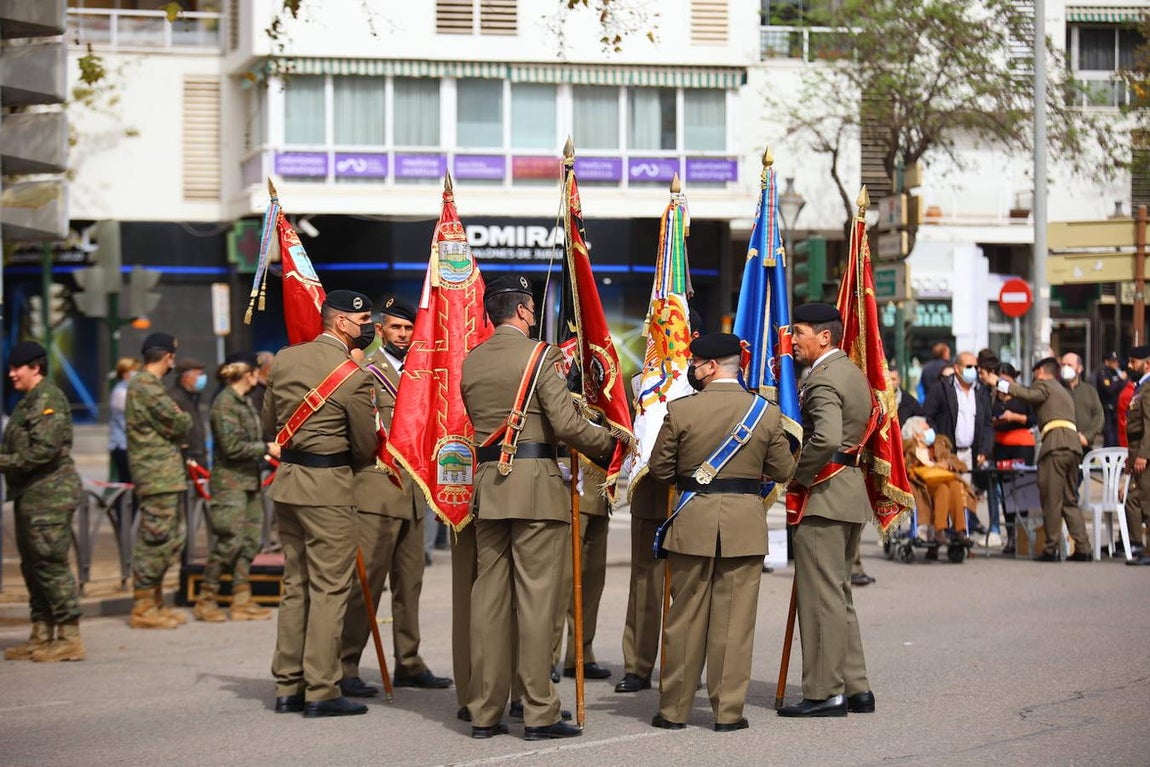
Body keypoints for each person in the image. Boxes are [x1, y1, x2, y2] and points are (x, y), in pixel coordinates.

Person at [460, 274, 615, 741]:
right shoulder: (540, 355)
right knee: (536, 602)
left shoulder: (472, 360)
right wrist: (610, 445)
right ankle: (538, 711)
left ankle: (485, 710)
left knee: (489, 601)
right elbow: (566, 424)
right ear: (525, 311)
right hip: (534, 488)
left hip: (489, 486)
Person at [646, 332, 794, 732]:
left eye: (695, 364)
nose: (692, 370)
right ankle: (728, 713)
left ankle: (673, 710)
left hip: (693, 521)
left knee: (684, 618)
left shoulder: (681, 411)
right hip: (744, 525)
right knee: (734, 622)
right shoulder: (764, 412)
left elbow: (660, 469)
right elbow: (783, 471)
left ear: (711, 366)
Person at [261, 290, 380, 717]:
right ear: (342, 323)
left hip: (289, 482)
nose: (369, 326)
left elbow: (269, 422)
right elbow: (365, 443)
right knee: (330, 588)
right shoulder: (353, 373)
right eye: (364, 318)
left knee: (296, 585)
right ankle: (322, 688)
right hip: (328, 486)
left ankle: (287, 683)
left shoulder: (285, 359)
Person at [340, 295, 452, 699]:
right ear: (381, 329)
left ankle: (409, 660)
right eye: (396, 328)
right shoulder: (366, 371)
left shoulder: (424, 374)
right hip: (376, 488)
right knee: (367, 583)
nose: (403, 335)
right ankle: (346, 663)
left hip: (413, 492)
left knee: (411, 582)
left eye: (409, 329)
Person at [778, 303, 875, 719]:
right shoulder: (853, 373)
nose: (792, 340)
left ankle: (824, 692)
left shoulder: (823, 379)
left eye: (798, 332)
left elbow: (827, 437)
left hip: (825, 494)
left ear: (825, 337)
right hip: (849, 494)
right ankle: (856, 687)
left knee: (819, 599)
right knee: (839, 595)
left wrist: (796, 474)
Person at [1, 341, 86, 662]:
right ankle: (41, 632)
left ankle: (69, 635)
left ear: (35, 367)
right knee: (32, 565)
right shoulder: (27, 402)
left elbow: (43, 450)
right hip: (30, 494)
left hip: (51, 494)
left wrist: (2, 461)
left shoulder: (49, 399)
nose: (11, 374)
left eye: (16, 368)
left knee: (50, 563)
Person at [195, 352, 281, 623]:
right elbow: (231, 447)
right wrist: (267, 448)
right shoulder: (225, 404)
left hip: (249, 480)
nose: (259, 376)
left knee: (250, 540)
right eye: (256, 372)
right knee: (228, 542)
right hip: (229, 483)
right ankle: (206, 598)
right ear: (248, 374)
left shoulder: (242, 402)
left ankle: (241, 597)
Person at [980, 359, 1092, 562]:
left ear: (1040, 372)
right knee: (1069, 499)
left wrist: (999, 383)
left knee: (1051, 497)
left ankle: (1050, 548)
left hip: (1055, 445)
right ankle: (1083, 546)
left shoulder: (1044, 385)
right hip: (1073, 445)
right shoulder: (1063, 389)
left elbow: (1029, 395)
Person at [126, 332, 193, 629]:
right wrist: (181, 419)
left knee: (169, 539)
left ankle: (154, 602)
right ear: (167, 357)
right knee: (155, 540)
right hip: (156, 474)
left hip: (165, 474)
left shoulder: (148, 385)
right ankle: (143, 607)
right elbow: (180, 422)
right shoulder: (145, 386)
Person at [556, 476, 611, 681]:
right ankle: (547, 657)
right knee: (562, 582)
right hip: (570, 487)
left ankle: (580, 654)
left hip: (600, 489)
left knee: (592, 581)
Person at [902, 416, 973, 559]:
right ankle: (940, 530)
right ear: (917, 435)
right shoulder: (910, 451)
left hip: (943, 479)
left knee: (953, 484)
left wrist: (947, 464)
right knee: (943, 488)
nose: (930, 431)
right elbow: (905, 468)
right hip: (923, 486)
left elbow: (959, 463)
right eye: (926, 429)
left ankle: (960, 531)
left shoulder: (938, 446)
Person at [989, 363, 1037, 554]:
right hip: (1001, 446)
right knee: (1006, 492)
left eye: (1005, 380)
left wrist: (1015, 417)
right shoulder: (994, 398)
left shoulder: (1023, 395)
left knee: (1022, 491)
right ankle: (1011, 538)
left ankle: (1023, 536)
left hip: (1022, 446)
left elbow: (1033, 420)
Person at [922, 350, 993, 475]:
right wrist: (939, 444)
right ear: (957, 368)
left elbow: (987, 423)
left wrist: (984, 450)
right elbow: (927, 417)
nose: (974, 371)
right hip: (948, 454)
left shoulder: (980, 391)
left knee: (966, 491)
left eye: (976, 367)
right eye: (969, 367)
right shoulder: (941, 389)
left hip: (971, 454)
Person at [1122, 345, 1150, 565]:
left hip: (1144, 455)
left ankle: (1144, 549)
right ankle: (1137, 545)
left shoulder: (1148, 389)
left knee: (1143, 502)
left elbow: (1149, 425)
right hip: (1136, 452)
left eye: (1134, 362)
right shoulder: (1140, 387)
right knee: (1134, 499)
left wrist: (1142, 455)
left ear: (1147, 364)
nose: (1130, 366)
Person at [168, 357, 209, 467]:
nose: (202, 378)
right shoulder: (175, 398)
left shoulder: (194, 397)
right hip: (186, 458)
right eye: (198, 374)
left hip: (199, 456)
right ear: (186, 376)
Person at [1060, 352, 1104, 451]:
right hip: (1061, 447)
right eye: (1063, 365)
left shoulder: (1089, 391)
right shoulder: (1056, 389)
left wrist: (1087, 436)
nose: (1065, 368)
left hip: (1085, 446)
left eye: (1069, 365)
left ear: (1079, 368)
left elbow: (1099, 416)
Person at [109, 357, 138, 484]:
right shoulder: (121, 393)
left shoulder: (130, 391)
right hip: (123, 445)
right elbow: (128, 421)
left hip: (129, 445)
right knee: (126, 483)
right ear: (126, 373)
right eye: (135, 371)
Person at [1095, 351, 1126, 447]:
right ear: (1107, 362)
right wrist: (1120, 380)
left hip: (1116, 409)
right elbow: (1109, 389)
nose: (1116, 364)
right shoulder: (1103, 372)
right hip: (1107, 409)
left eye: (1117, 361)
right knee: (1109, 438)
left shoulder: (1116, 372)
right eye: (1113, 361)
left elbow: (1124, 387)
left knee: (1117, 438)